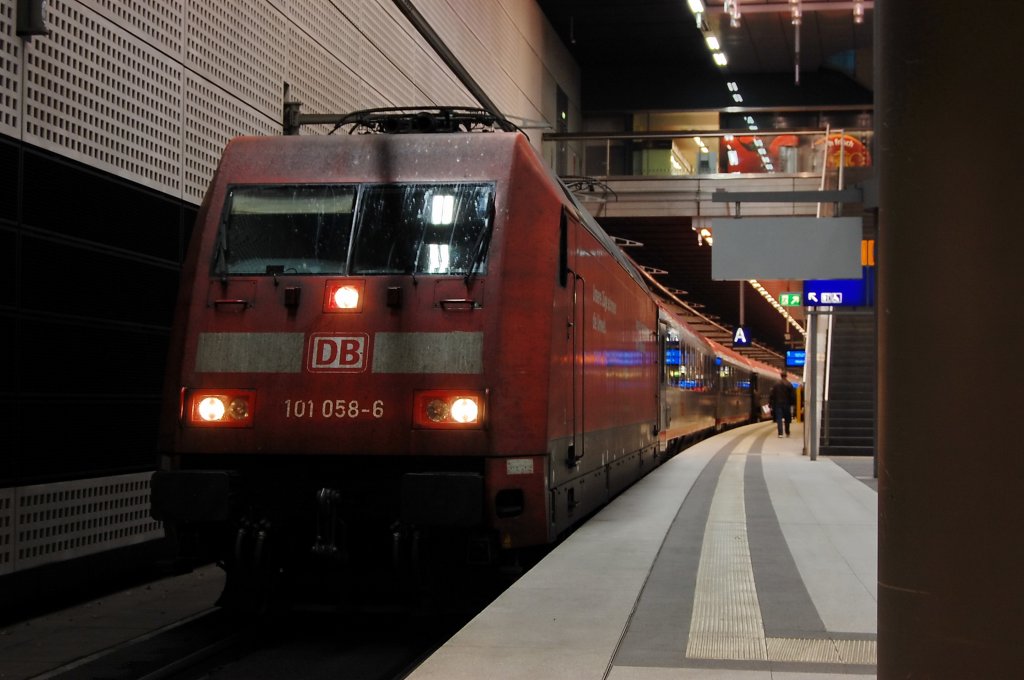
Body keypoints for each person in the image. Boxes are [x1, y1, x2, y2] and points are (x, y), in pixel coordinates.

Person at [769, 371, 796, 437]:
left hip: (778, 404)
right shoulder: (789, 384)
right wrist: (793, 403)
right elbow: (792, 395)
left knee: (779, 418)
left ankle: (780, 433)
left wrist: (770, 403)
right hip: (787, 404)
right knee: (787, 418)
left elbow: (772, 395)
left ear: (781, 376)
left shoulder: (776, 384)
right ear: (786, 376)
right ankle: (787, 432)